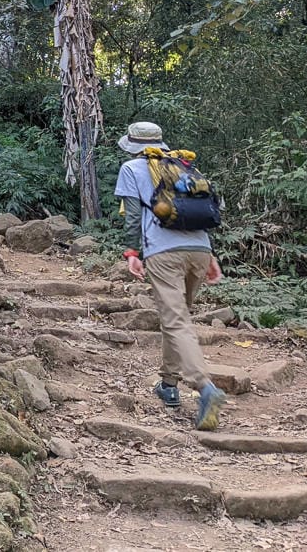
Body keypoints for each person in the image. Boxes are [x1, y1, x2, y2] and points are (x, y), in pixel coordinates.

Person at [114, 121, 227, 430]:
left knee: (176, 321)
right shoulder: (183, 164)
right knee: (177, 319)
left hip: (163, 252)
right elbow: (199, 210)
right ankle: (168, 384)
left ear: (131, 144)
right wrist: (209, 256)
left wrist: (131, 253)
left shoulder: (131, 168)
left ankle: (205, 388)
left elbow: (134, 214)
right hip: (199, 249)